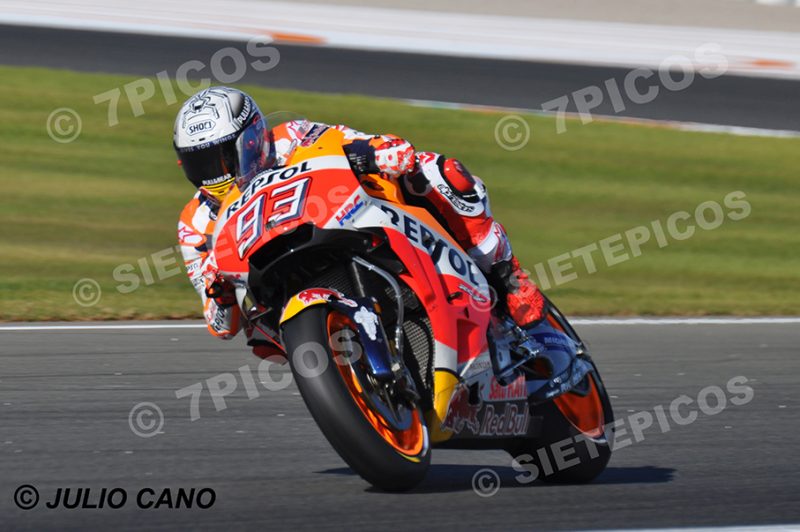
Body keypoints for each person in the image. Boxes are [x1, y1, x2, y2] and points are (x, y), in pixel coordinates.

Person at [174, 86, 544, 342]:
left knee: (436, 171)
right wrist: (219, 293)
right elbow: (221, 327)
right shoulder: (194, 225)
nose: (215, 173)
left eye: (222, 156)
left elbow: (351, 142)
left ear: (253, 138)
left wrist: (380, 151)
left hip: (343, 228)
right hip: (283, 297)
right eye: (199, 163)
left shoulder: (292, 138)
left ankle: (508, 278)